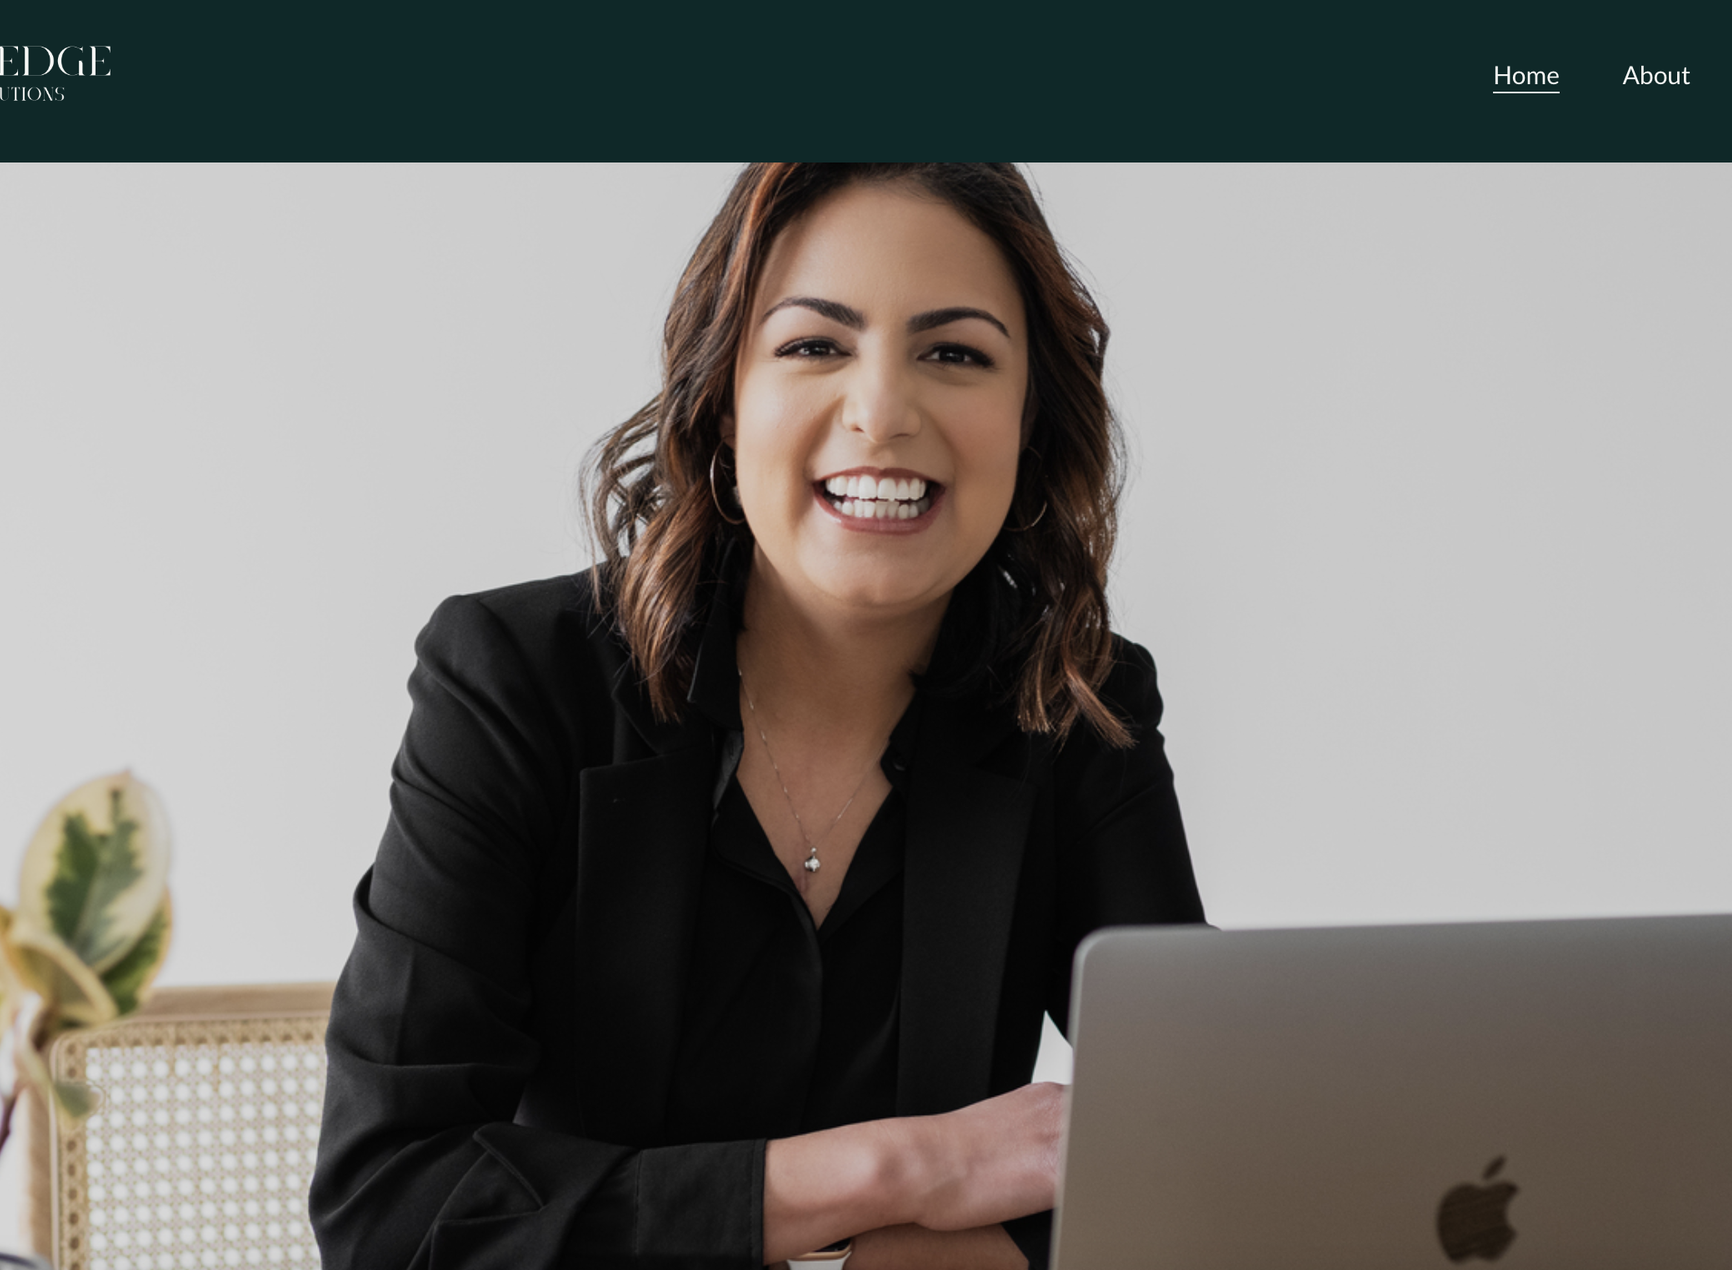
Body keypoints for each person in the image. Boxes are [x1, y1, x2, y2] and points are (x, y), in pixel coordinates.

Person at [309, 163, 1206, 1270]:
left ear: (1031, 423)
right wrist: (901, 1173)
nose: (882, 410)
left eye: (956, 353)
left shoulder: (1074, 702)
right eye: (813, 345)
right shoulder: (513, 683)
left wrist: (1001, 1244)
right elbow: (386, 1206)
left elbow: (1200, 1135)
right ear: (724, 401)